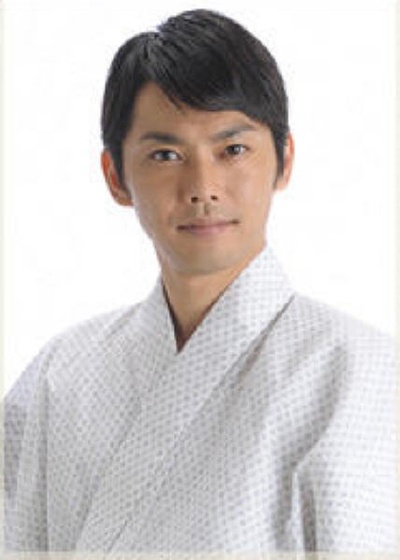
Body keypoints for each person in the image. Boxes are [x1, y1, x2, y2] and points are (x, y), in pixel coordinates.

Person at [4, 8, 397, 554]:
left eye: (232, 150)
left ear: (283, 160)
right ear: (116, 176)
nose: (202, 186)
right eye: (165, 155)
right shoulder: (59, 376)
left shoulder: (363, 376)